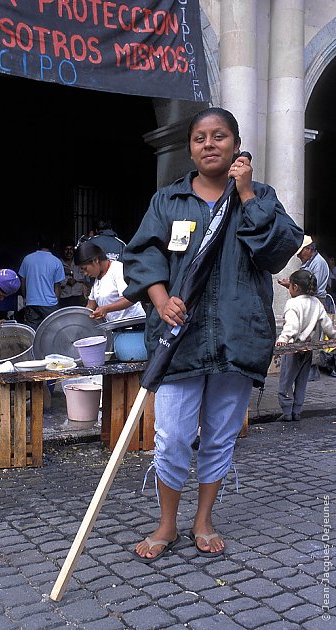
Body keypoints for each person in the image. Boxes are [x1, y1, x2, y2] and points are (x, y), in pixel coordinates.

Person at [122, 107, 303, 562]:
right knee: (173, 436)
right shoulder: (169, 200)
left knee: (220, 436)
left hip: (236, 337)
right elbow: (143, 254)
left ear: (237, 145)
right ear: (190, 147)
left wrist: (244, 193)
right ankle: (167, 523)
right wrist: (161, 300)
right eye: (200, 137)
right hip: (179, 338)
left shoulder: (259, 196)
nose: (208, 144)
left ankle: (203, 520)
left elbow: (278, 250)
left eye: (219, 136)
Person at [276, 269, 336, 421]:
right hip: (308, 348)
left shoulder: (292, 303)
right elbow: (327, 325)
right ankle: (297, 411)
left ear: (295, 287)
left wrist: (283, 338)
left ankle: (287, 413)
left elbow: (292, 326)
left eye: (290, 286)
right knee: (301, 382)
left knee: (286, 383)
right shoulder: (316, 303)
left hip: (292, 349)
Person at [74, 241, 145, 322]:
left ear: (96, 260)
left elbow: (130, 298)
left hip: (133, 325)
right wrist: (78, 322)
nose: (85, 273)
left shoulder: (117, 270)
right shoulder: (97, 279)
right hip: (115, 328)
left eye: (85, 268)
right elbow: (91, 305)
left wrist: (106, 309)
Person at [18, 235, 65, 330]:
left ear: (38, 244)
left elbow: (22, 281)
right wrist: (56, 304)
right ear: (53, 245)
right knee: (52, 333)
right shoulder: (56, 262)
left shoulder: (27, 259)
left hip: (32, 302)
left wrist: (25, 297)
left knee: (32, 334)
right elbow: (57, 287)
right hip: (50, 304)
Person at [278, 235, 329, 304]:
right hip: (309, 299)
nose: (298, 256)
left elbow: (313, 287)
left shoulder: (318, 263)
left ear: (308, 249)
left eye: (300, 253)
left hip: (315, 301)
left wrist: (291, 285)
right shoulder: (308, 262)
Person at [58, 241, 87, 308]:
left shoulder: (78, 261)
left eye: (71, 249)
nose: (69, 252)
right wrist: (66, 281)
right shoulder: (58, 263)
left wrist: (74, 276)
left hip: (78, 296)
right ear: (63, 250)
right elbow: (55, 279)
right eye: (66, 249)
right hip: (64, 297)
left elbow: (84, 275)